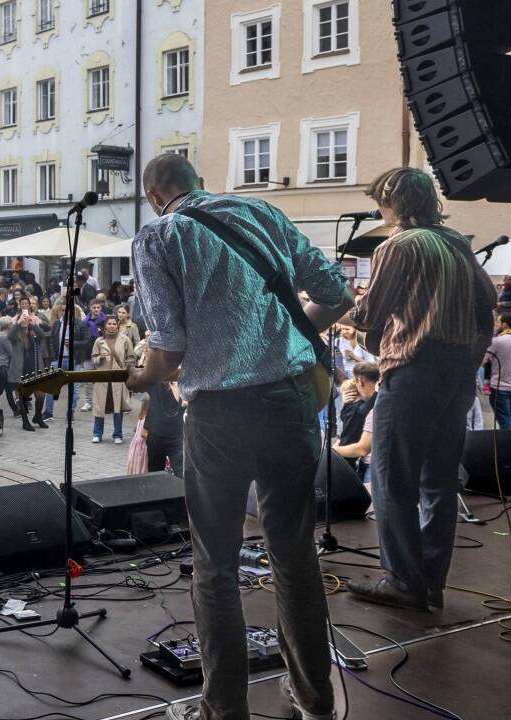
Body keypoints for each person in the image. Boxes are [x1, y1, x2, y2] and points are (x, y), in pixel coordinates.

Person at [126, 153, 352, 720]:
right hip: (291, 400)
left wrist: (142, 375)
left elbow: (169, 348)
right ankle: (314, 699)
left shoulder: (159, 238)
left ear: (156, 196)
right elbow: (336, 295)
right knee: (295, 556)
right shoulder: (263, 213)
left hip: (220, 415)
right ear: (199, 183)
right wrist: (288, 338)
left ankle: (223, 710)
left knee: (217, 564)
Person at [347, 167, 498, 612]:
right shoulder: (457, 244)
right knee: (438, 484)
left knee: (393, 481)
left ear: (394, 202)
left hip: (413, 371)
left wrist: (347, 304)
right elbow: (486, 304)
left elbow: (371, 313)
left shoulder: (398, 245)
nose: (380, 209)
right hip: (456, 373)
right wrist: (471, 358)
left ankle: (402, 583)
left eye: (381, 200)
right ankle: (431, 583)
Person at [91, 316, 135, 445]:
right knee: (99, 407)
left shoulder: (125, 339)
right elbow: (93, 359)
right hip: (102, 377)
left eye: (113, 323)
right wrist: (100, 358)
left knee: (118, 407)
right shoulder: (99, 341)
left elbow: (131, 358)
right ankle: (97, 433)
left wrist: (125, 368)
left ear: (117, 325)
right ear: (105, 326)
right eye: (109, 323)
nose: (111, 326)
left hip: (118, 378)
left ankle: (117, 434)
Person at [485, 312, 511, 430]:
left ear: (504, 324)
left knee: (504, 421)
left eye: (499, 322)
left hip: (500, 387)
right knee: (510, 414)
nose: (497, 325)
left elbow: (482, 360)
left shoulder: (497, 341)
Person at [337, 363, 380, 477]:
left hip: (366, 463)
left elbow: (361, 449)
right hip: (368, 462)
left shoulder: (362, 408)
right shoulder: (384, 397)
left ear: (360, 381)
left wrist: (334, 451)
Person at [141, 381, 185, 477]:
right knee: (155, 475)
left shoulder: (182, 383)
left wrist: (175, 385)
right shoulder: (156, 381)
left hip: (176, 437)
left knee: (181, 474)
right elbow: (135, 383)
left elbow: (185, 402)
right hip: (156, 435)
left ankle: (180, 491)